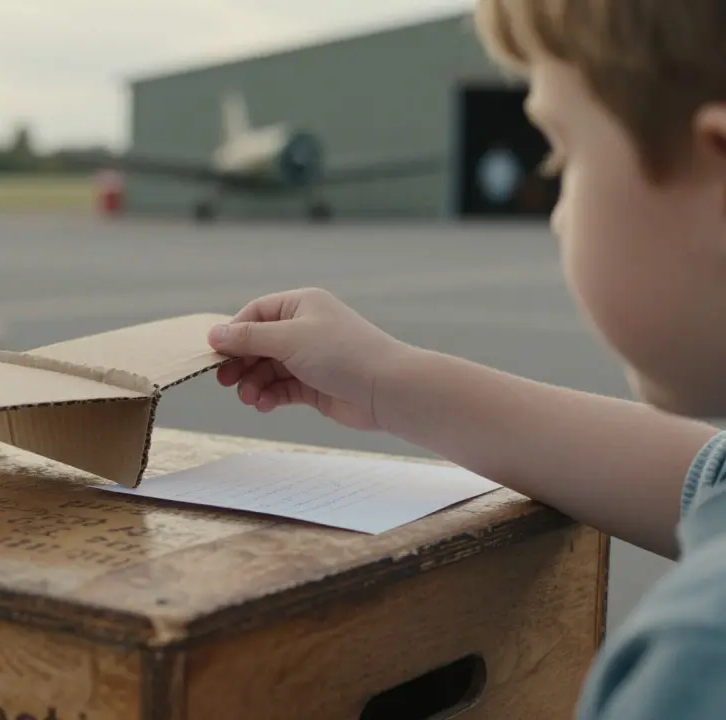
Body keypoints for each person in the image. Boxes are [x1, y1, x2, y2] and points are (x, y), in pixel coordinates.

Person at [205, 1, 726, 717]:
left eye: (563, 152)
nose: (557, 211)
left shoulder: (697, 660)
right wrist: (385, 378)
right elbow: (702, 480)